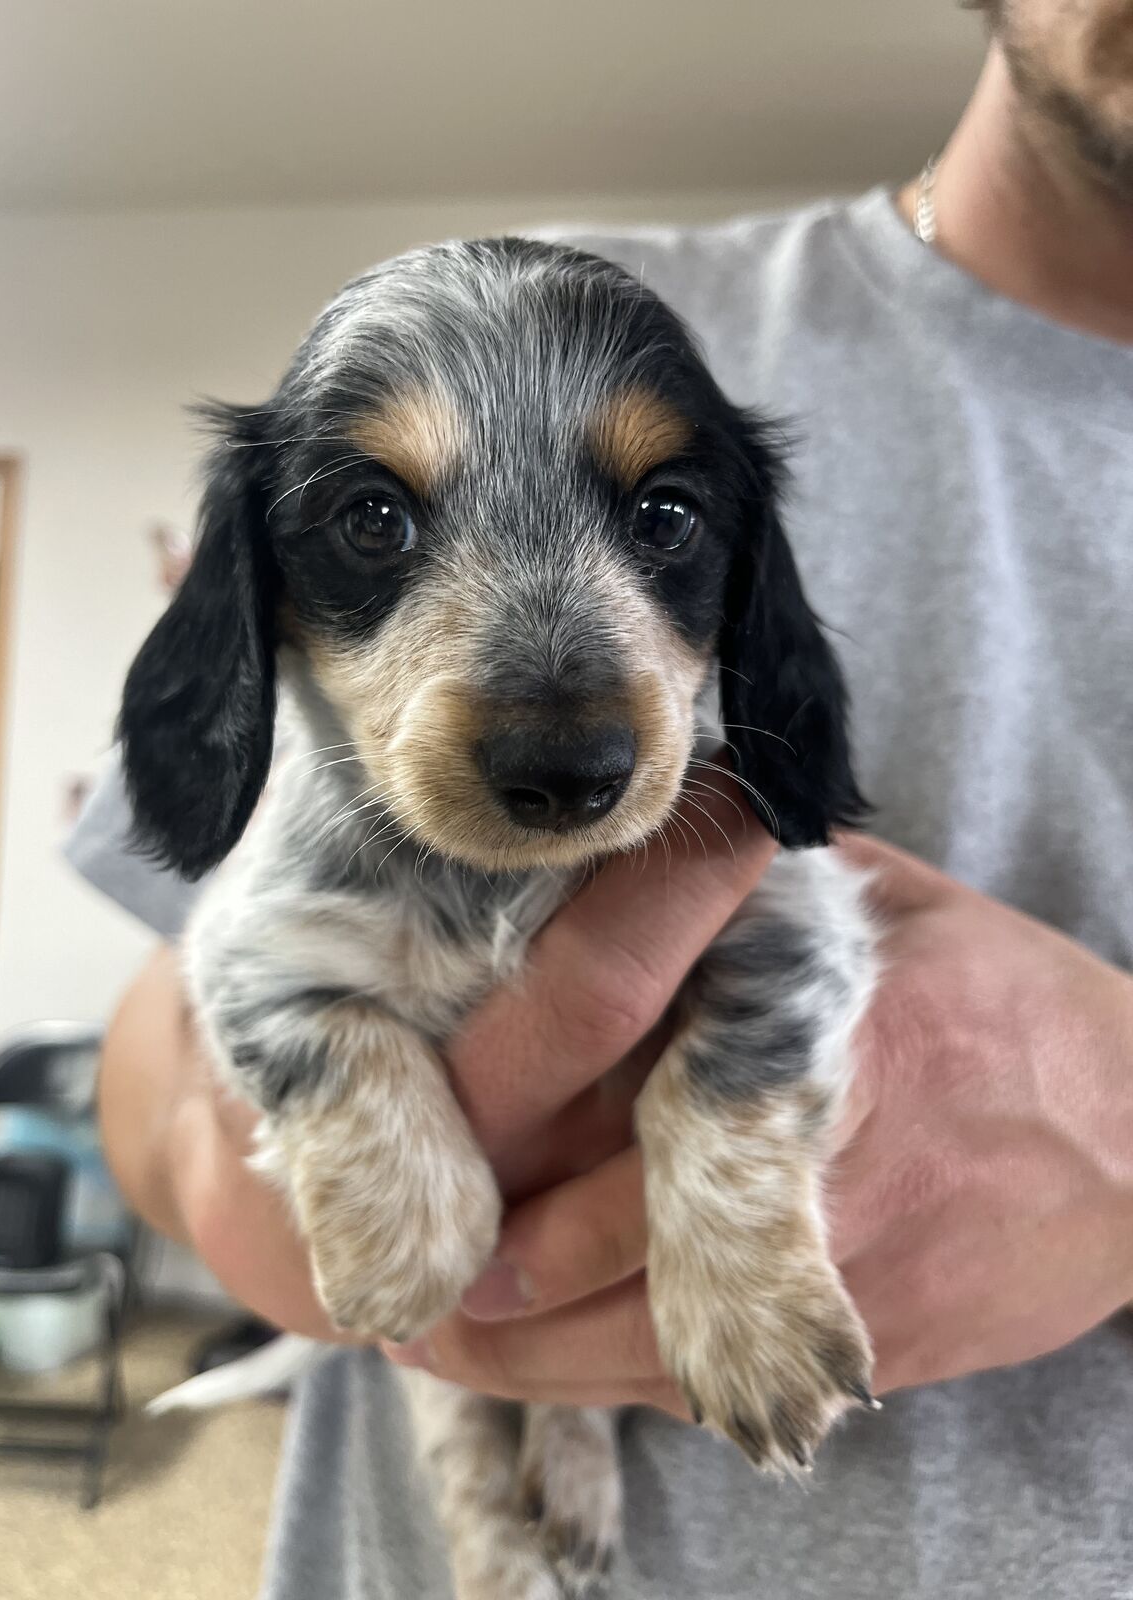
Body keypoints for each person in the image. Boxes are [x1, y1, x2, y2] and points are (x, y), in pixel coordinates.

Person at [74, 3, 1133, 1594]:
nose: (565, 722)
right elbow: (165, 1046)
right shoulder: (541, 299)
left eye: (662, 517)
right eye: (373, 520)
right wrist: (262, 1156)